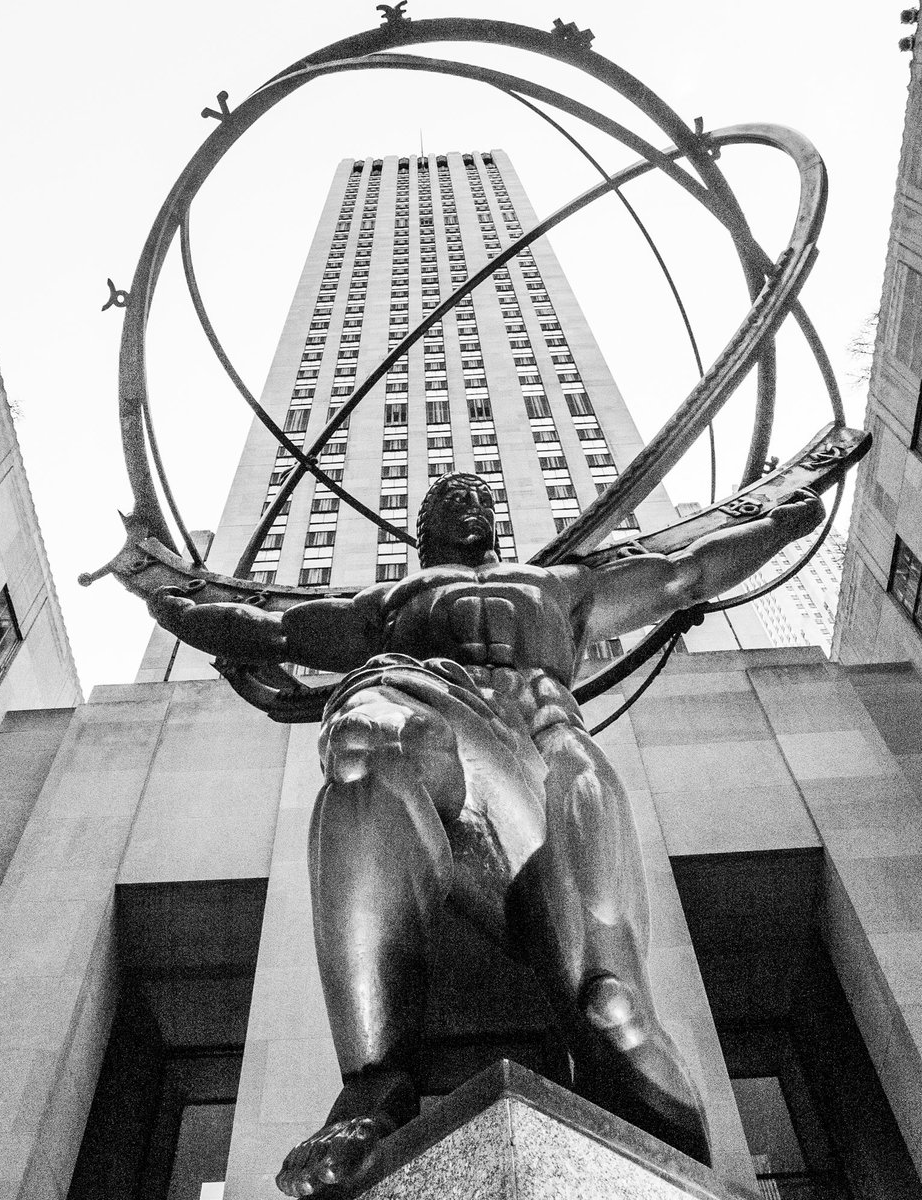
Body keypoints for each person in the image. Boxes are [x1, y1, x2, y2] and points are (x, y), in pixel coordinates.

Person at [149, 472, 824, 1195]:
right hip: (425, 708)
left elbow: (683, 577)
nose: (467, 501)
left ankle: (660, 1146)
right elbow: (275, 630)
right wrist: (175, 606)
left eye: (479, 493)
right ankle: (373, 1087)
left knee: (613, 1010)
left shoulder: (562, 586)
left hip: (545, 753)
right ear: (420, 527)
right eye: (446, 496)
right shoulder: (387, 604)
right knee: (365, 743)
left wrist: (781, 525)